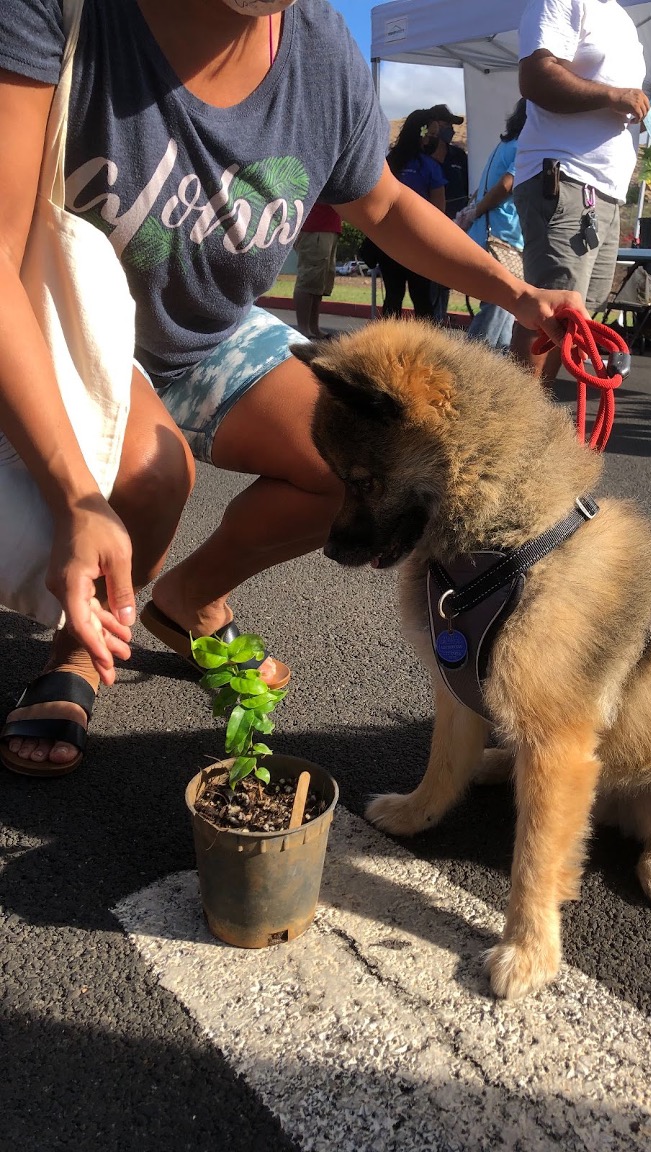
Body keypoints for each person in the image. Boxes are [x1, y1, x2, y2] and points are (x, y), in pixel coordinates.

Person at [0, 0, 586, 776]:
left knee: (351, 462)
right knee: (150, 472)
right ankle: (77, 646)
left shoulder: (318, 47)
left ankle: (186, 601)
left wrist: (519, 295)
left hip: (211, 333)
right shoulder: (61, 12)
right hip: (75, 323)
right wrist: (77, 497)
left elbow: (379, 203)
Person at [510, 0, 651, 384]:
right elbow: (535, 78)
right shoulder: (561, 2)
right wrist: (612, 96)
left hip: (603, 192)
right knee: (551, 312)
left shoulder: (620, 19)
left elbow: (617, 93)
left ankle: (530, 422)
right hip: (565, 179)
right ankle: (512, 431)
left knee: (574, 312)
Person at [457, 99, 528, 352]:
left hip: (488, 233)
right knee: (502, 302)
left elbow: (485, 187)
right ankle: (471, 365)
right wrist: (478, 209)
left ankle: (492, 367)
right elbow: (507, 184)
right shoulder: (524, 147)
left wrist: (473, 212)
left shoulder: (504, 145)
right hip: (502, 236)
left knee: (504, 305)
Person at [377, 109, 447, 321]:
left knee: (392, 297)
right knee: (422, 299)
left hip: (387, 239)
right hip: (419, 241)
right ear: (422, 134)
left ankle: (386, 345)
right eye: (432, 134)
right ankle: (426, 347)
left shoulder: (388, 162)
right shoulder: (430, 167)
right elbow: (439, 210)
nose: (434, 139)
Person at [423, 104, 471, 324]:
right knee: (430, 275)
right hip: (429, 224)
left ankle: (440, 316)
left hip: (456, 225)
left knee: (448, 274)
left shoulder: (459, 156)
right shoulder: (420, 154)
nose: (451, 129)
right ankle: (431, 319)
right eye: (446, 124)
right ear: (433, 125)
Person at [292, 201, 342, 340]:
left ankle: (313, 327)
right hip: (315, 227)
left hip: (328, 226)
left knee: (319, 282)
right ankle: (303, 328)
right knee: (309, 278)